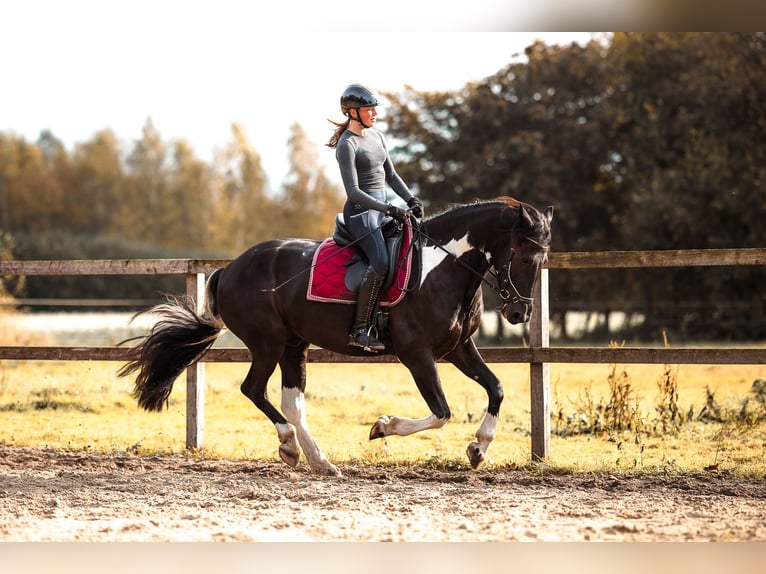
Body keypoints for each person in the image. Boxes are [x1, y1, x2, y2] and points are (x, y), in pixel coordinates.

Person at [327, 83, 423, 351]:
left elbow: (391, 175)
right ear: (353, 112)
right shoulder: (347, 145)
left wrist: (410, 199)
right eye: (369, 110)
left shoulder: (377, 136)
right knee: (380, 261)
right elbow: (354, 193)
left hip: (381, 210)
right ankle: (359, 331)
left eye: (374, 109)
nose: (374, 114)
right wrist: (389, 209)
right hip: (361, 214)